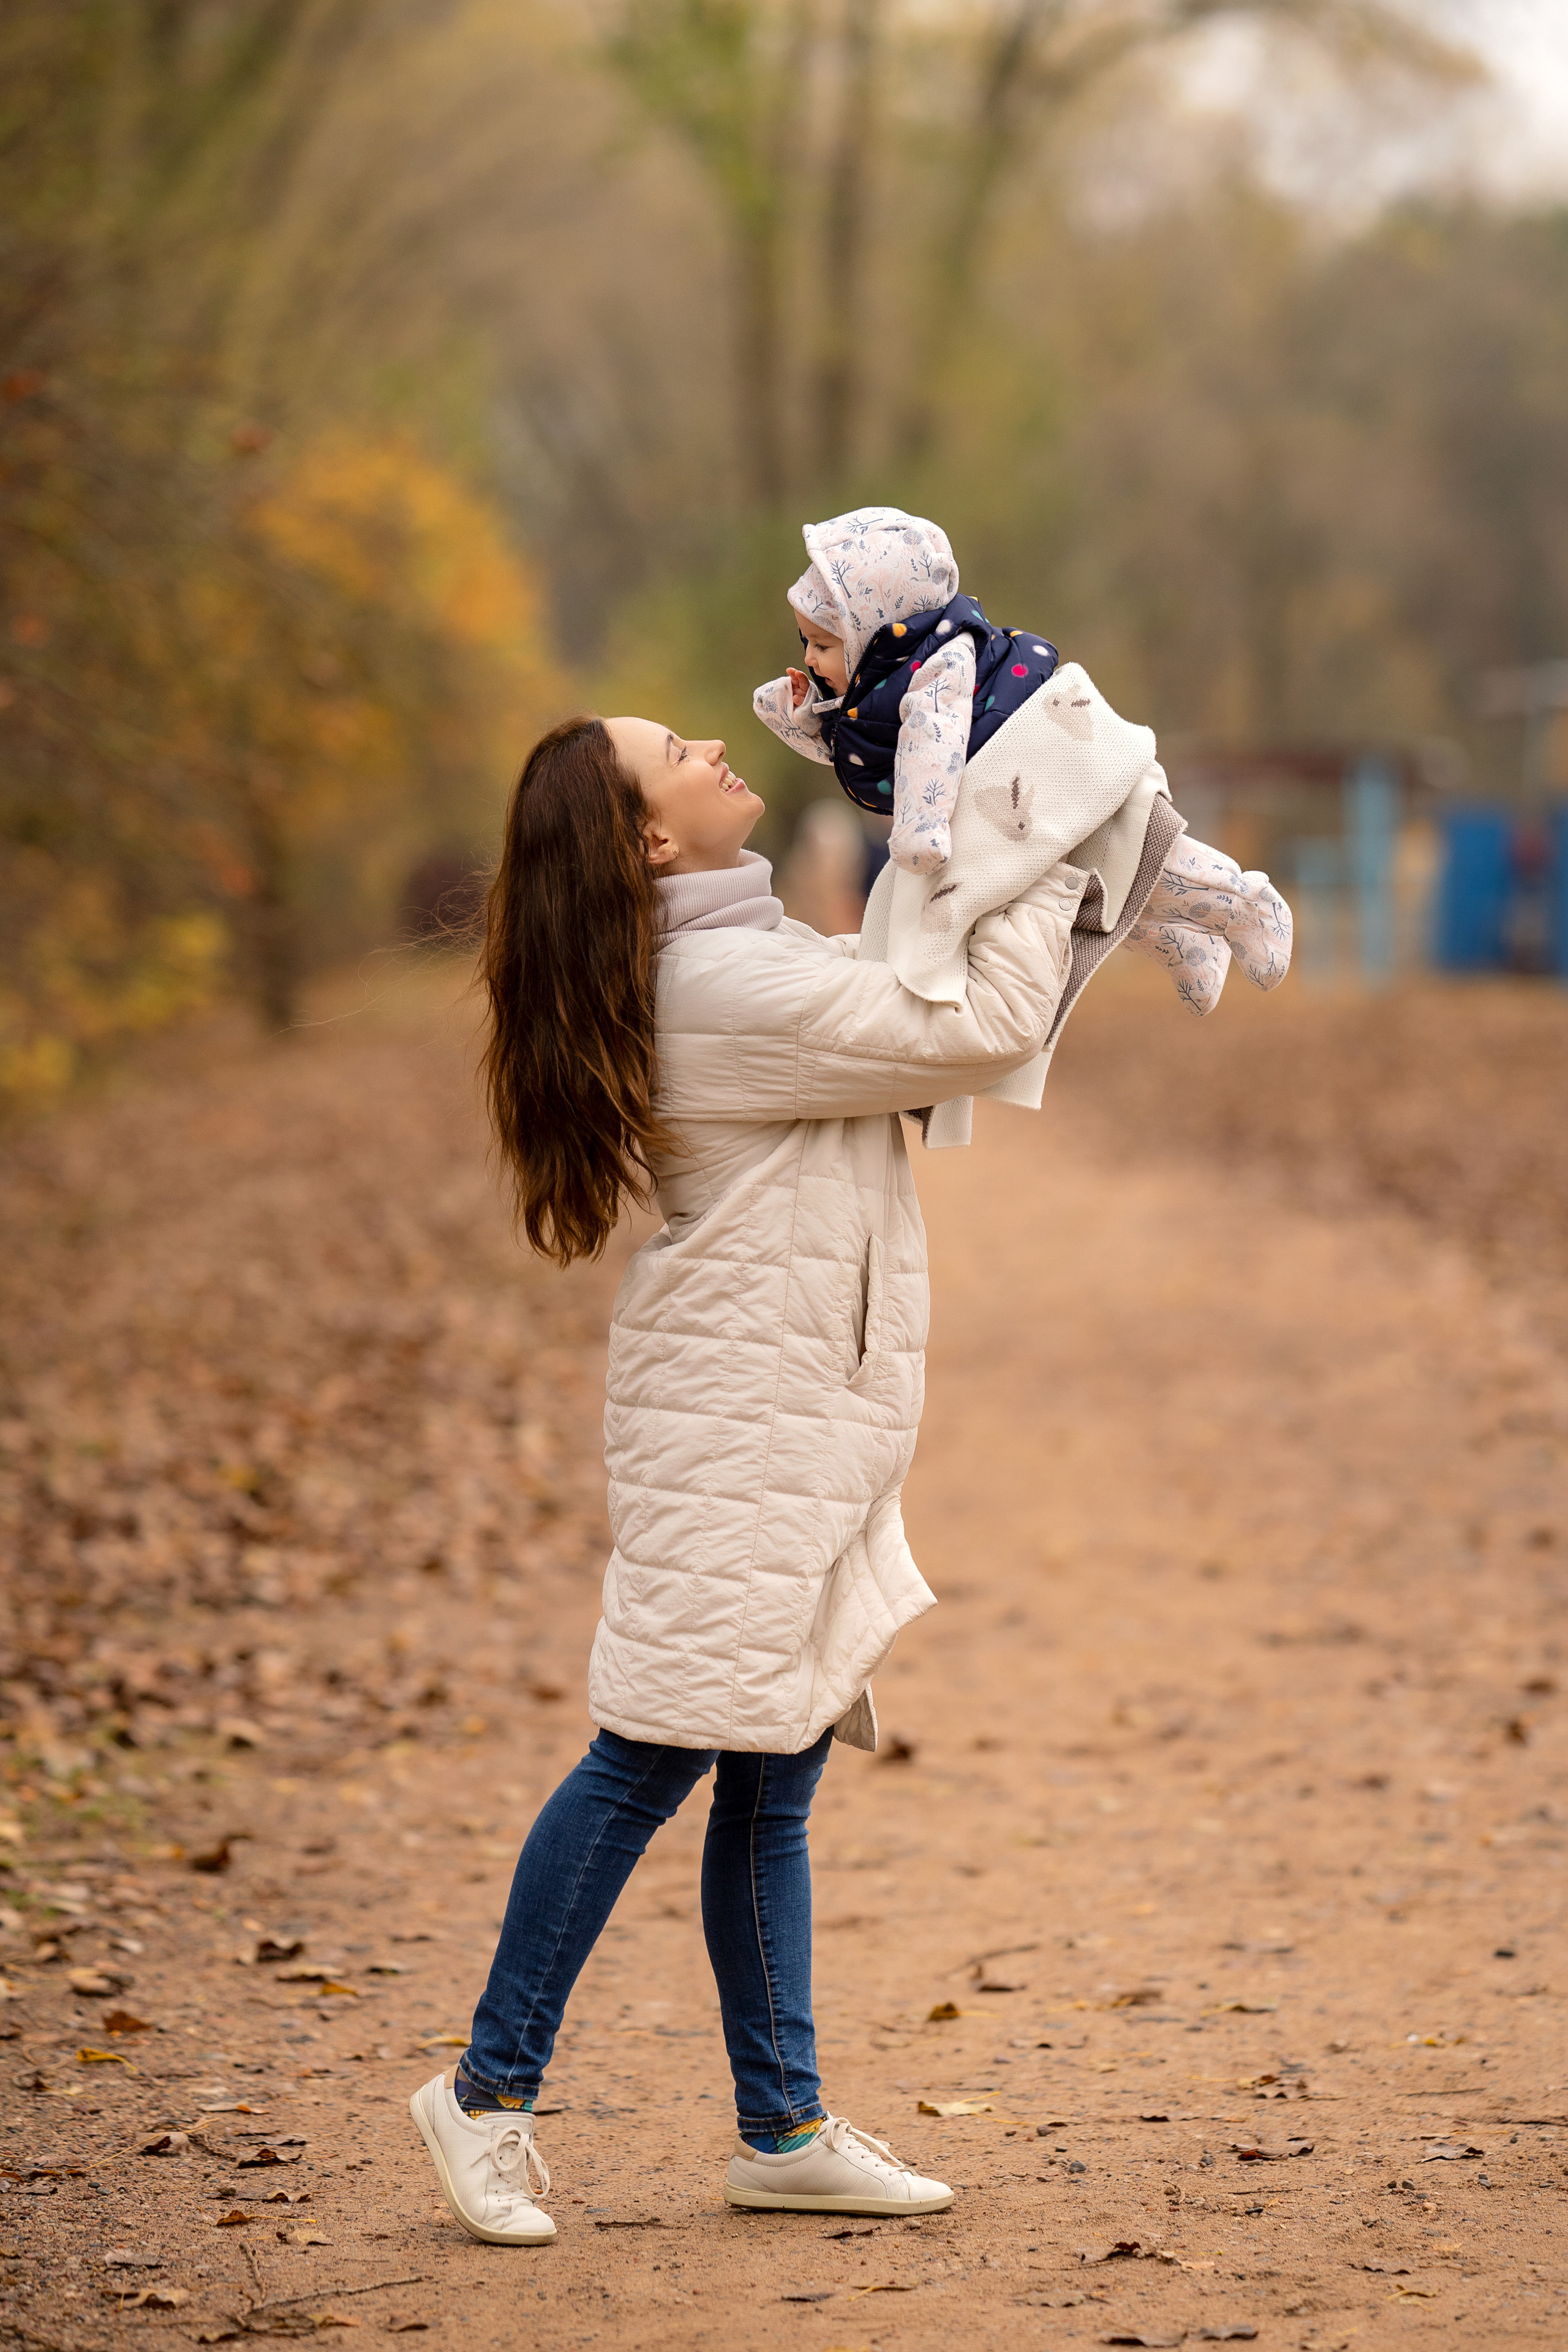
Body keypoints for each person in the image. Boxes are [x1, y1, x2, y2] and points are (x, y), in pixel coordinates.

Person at [409, 709, 1097, 2243]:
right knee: (649, 1752)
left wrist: (1012, 857)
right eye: (677, 751)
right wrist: (1054, 830)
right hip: (740, 1422)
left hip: (781, 1412)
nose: (719, 742)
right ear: (650, 842)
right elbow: (968, 1028)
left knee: (771, 1776)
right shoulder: (717, 977)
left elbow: (924, 1008)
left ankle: (777, 2127)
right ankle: (481, 2091)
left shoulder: (740, 950)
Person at [754, 506, 1292, 1029]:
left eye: (823, 644)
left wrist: (920, 832)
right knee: (1096, 896)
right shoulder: (875, 682)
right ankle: (1190, 946)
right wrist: (801, 707)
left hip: (1055, 777)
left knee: (1149, 858)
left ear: (879, 629)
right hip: (1014, 814)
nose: (808, 657)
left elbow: (931, 744)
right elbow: (841, 747)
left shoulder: (940, 666)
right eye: (807, 643)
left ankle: (1247, 905)